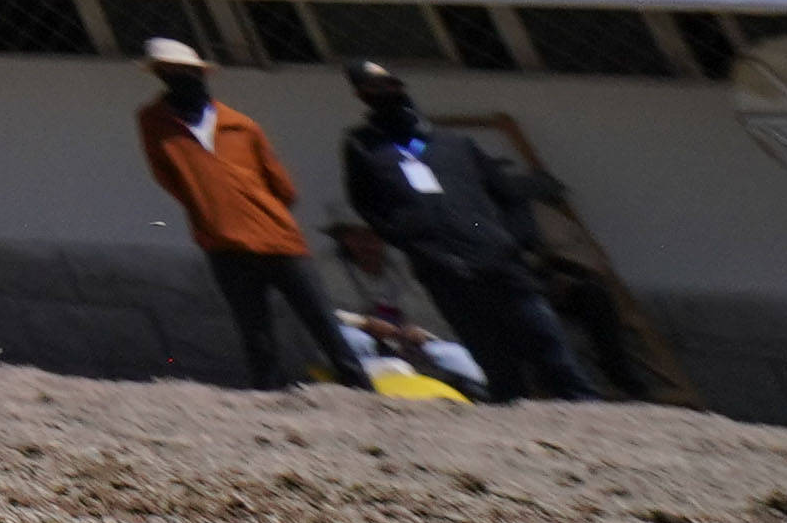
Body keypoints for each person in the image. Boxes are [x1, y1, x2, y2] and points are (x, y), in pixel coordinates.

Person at [327, 63, 594, 406]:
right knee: (490, 355)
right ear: (361, 95)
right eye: (371, 89)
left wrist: (511, 240)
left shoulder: (454, 144)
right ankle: (513, 414)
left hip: (495, 258)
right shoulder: (364, 148)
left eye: (388, 85)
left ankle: (584, 406)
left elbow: (507, 193)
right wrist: (408, 237)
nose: (383, 95)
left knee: (545, 342)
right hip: (440, 267)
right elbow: (365, 203)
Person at [131, 38, 349, 390]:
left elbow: (281, 185)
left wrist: (257, 207)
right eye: (169, 71)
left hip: (276, 236)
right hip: (221, 240)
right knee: (254, 325)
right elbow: (167, 175)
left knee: (319, 317)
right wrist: (207, 206)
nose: (178, 76)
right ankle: (268, 391)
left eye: (185, 71)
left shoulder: (241, 126)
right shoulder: (153, 122)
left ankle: (356, 384)